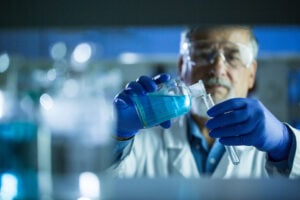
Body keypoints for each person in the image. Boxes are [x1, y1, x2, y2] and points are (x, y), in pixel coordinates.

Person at [110, 25, 300, 178]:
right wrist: (116, 136)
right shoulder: (143, 140)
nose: (217, 68)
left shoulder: (272, 146)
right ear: (182, 66)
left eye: (232, 56)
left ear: (251, 74)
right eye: (202, 54)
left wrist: (285, 144)